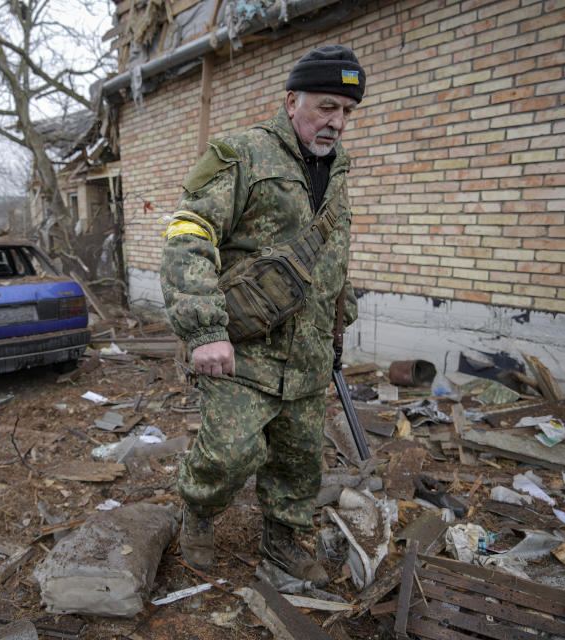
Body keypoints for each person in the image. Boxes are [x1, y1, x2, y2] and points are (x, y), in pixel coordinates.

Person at [159, 44, 365, 586]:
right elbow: (188, 237)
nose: (337, 122)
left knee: (299, 464)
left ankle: (282, 542)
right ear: (292, 100)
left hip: (308, 355)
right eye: (327, 107)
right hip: (242, 349)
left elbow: (329, 256)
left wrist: (343, 310)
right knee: (228, 453)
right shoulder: (241, 154)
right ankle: (199, 510)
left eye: (347, 111)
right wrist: (204, 330)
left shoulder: (337, 170)